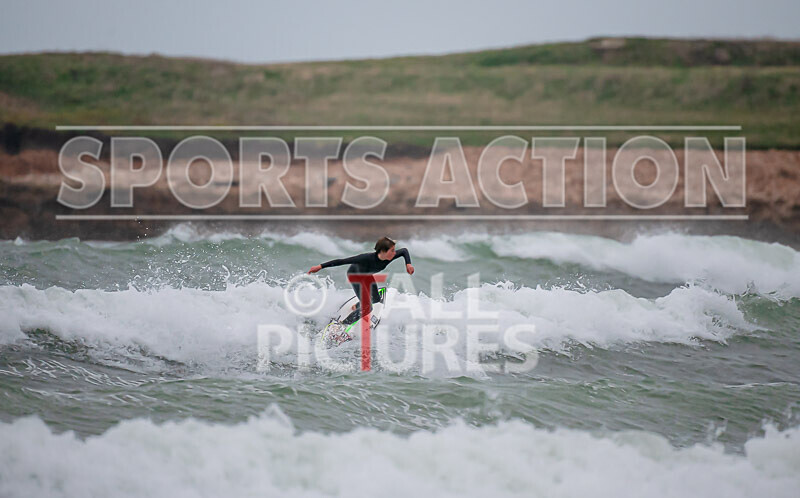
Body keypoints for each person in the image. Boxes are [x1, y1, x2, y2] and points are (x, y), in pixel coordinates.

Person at [308, 237, 414, 323]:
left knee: (376, 299)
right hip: (355, 277)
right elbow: (343, 261)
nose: (395, 253)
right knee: (368, 308)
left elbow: (404, 251)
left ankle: (357, 306)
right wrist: (320, 266)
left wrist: (408, 264)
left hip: (367, 275)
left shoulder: (389, 257)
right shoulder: (366, 258)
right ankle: (343, 325)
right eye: (392, 251)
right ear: (383, 251)